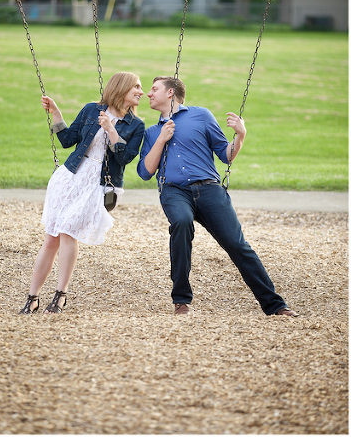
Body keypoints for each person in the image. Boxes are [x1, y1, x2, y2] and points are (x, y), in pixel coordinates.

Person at [137, 75, 298, 317]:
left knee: (237, 245)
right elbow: (146, 172)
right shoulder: (152, 132)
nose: (149, 94)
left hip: (209, 188)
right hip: (174, 190)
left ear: (170, 93)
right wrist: (161, 139)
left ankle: (275, 305)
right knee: (180, 222)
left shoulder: (201, 116)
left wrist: (240, 136)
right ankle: (181, 301)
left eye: (154, 89)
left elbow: (226, 155)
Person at [19, 72, 145, 314]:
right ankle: (32, 296)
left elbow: (125, 157)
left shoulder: (136, 125)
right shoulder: (91, 110)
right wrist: (56, 112)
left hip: (99, 184)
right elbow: (67, 140)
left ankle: (60, 294)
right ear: (120, 88)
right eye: (136, 87)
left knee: (68, 232)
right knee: (51, 237)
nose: (141, 91)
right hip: (70, 178)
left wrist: (111, 130)